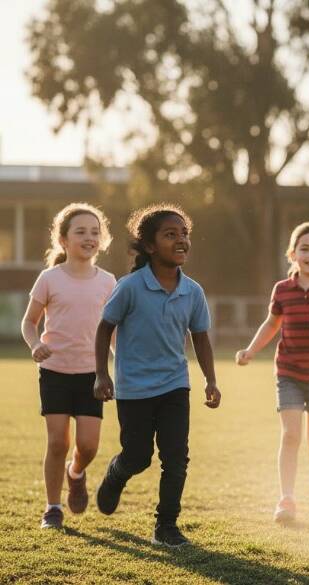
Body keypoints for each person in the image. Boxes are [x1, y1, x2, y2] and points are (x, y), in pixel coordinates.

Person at [93, 204, 221, 547]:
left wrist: (210, 379)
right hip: (134, 387)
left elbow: (201, 337)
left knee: (176, 457)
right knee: (137, 456)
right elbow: (104, 329)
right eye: (170, 235)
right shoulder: (130, 287)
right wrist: (101, 375)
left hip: (174, 385)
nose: (181, 240)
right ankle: (116, 474)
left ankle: (166, 526)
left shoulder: (192, 291)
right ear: (150, 246)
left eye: (185, 234)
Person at [236, 220, 309, 524]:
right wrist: (250, 350)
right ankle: (286, 499)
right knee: (290, 435)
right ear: (292, 253)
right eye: (305, 249)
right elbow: (271, 324)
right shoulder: (283, 290)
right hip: (288, 372)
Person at [21, 203, 115, 529]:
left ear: (101, 240)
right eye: (80, 231)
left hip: (93, 373)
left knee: (87, 446)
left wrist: (122, 364)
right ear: (63, 240)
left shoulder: (108, 282)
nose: (89, 237)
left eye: (94, 232)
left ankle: (75, 473)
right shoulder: (50, 278)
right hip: (55, 371)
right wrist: (36, 345)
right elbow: (29, 323)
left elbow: (111, 330)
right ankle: (52, 508)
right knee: (58, 442)